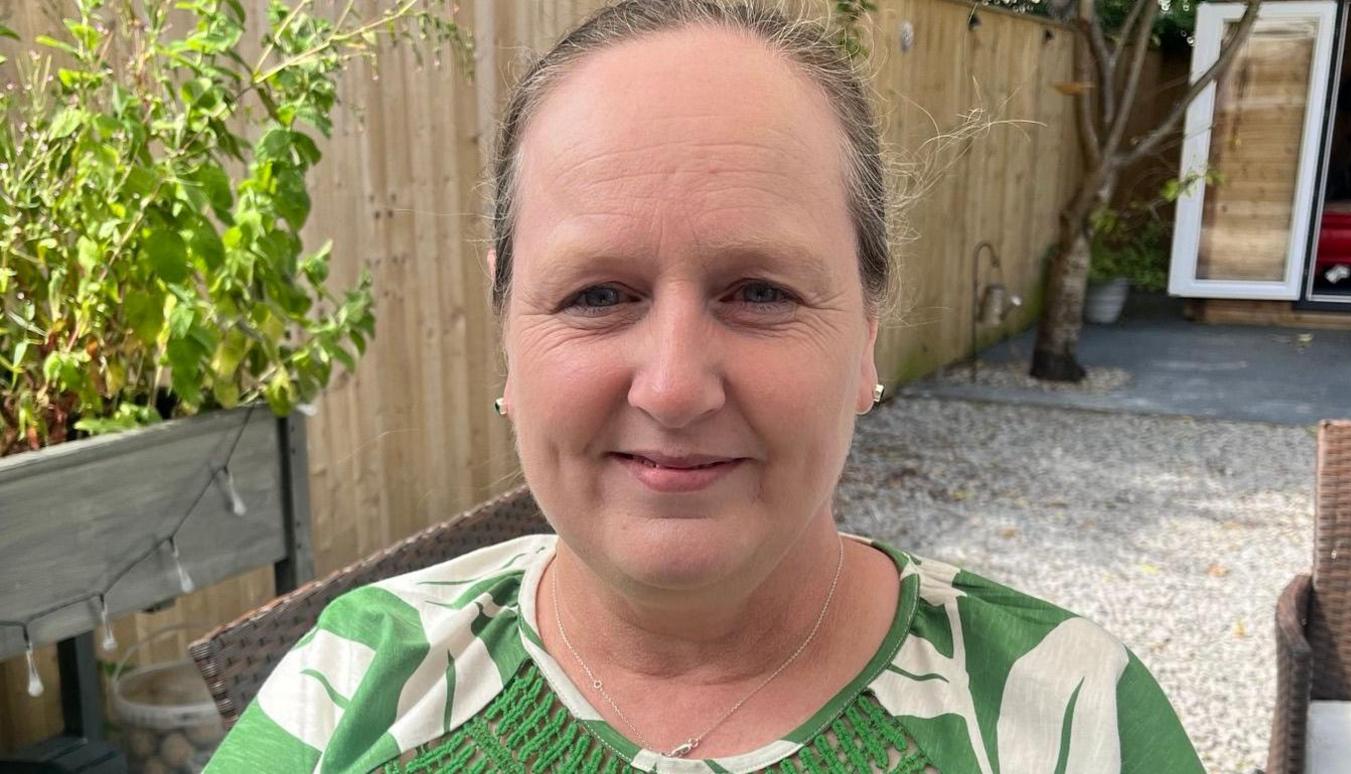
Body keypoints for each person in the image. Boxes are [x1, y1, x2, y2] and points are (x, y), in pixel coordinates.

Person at [207, 1, 1204, 771]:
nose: (675, 386)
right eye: (598, 292)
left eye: (758, 291)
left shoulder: (1070, 719)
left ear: (865, 331)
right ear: (507, 330)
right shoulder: (347, 691)